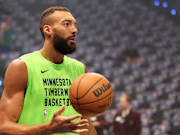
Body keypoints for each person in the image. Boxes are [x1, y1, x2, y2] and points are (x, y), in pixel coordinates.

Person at [0, 6, 97, 135]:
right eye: (66, 24)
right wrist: (47, 129)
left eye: (74, 25)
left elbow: (85, 123)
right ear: (47, 30)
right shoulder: (22, 67)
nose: (74, 30)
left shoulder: (80, 69)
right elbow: (3, 126)